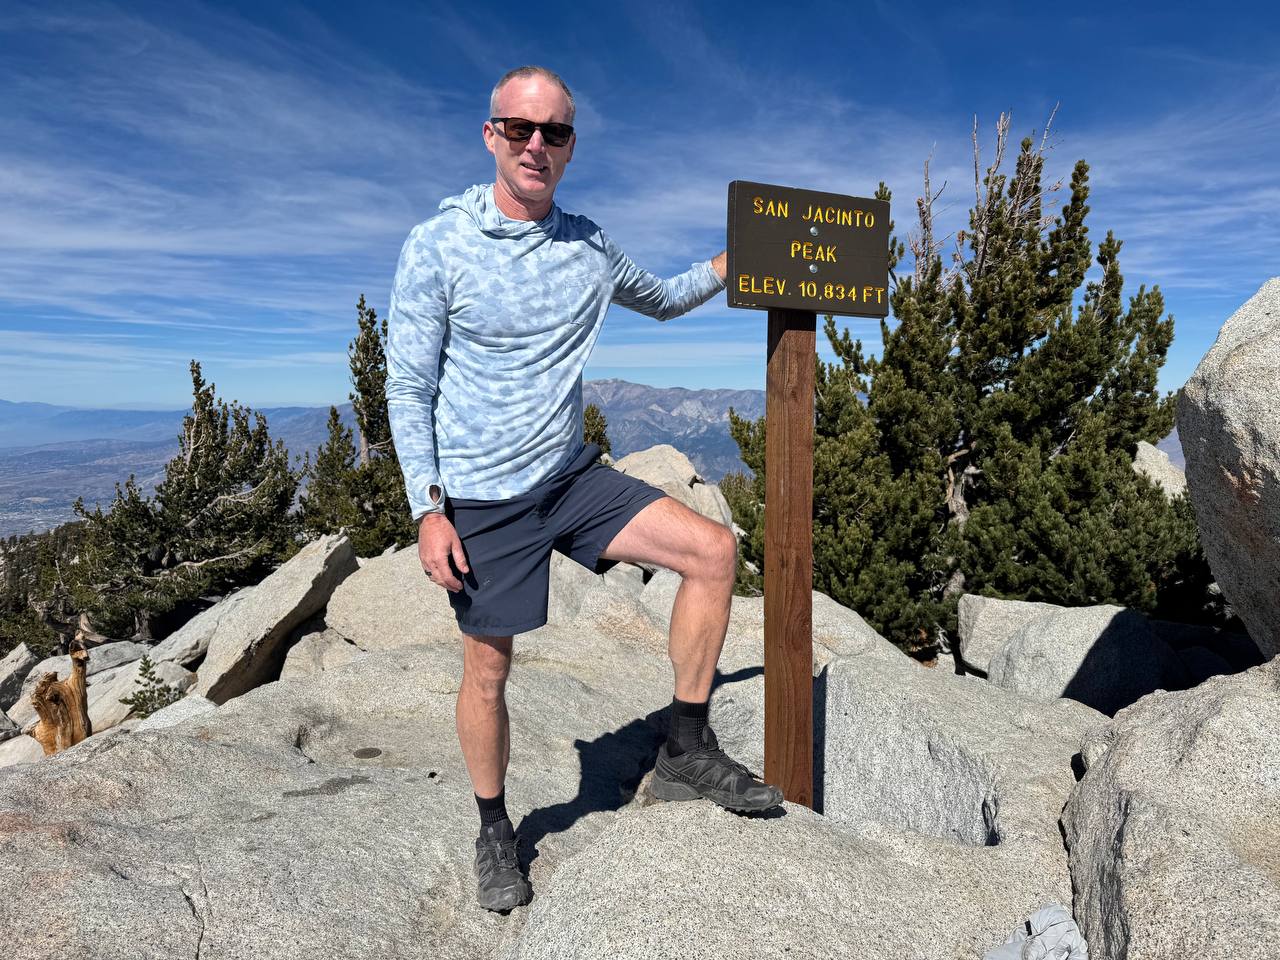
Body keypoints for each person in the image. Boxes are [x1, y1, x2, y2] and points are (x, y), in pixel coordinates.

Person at [386, 65, 783, 913]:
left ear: (570, 147)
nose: (536, 145)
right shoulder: (439, 244)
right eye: (519, 129)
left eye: (554, 132)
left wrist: (735, 256)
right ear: (490, 134)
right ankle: (495, 826)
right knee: (489, 670)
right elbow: (407, 388)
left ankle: (685, 744)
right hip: (484, 500)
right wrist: (428, 508)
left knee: (715, 552)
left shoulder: (588, 246)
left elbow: (669, 300)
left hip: (570, 477)